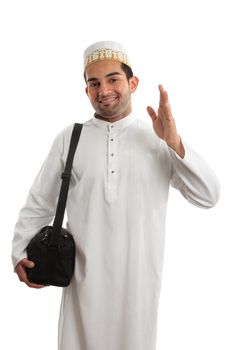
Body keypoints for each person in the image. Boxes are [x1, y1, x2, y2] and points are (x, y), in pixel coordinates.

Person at [12, 41, 220, 350]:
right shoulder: (71, 138)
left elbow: (209, 195)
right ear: (87, 91)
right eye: (94, 83)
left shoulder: (157, 138)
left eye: (113, 79)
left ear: (132, 83)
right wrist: (19, 255)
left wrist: (174, 141)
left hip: (138, 293)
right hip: (82, 293)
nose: (103, 90)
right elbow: (38, 203)